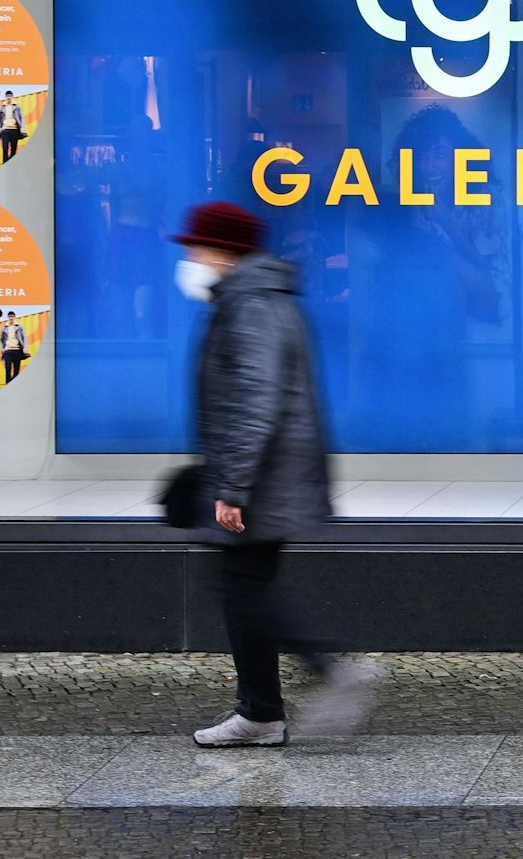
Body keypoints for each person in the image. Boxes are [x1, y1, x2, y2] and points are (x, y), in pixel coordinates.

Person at [174, 201, 377, 747]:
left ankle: (321, 678)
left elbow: (255, 401)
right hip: (265, 473)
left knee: (245, 590)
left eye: (196, 247)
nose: (191, 258)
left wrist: (234, 486)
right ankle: (262, 710)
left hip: (262, 479)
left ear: (222, 252)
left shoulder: (254, 305)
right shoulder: (250, 300)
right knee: (244, 588)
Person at [0, 313, 27, 384]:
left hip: (17, 350)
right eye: (10, 316)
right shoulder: (4, 328)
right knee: (8, 369)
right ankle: (7, 384)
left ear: (15, 317)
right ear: (8, 317)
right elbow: (1, 340)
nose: (11, 318)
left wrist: (25, 347)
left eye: (12, 316)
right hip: (7, 351)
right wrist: (2, 348)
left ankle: (14, 384)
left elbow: (24, 338)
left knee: (16, 369)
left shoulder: (19, 326)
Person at [0, 92, 25, 164]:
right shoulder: (2, 107)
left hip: (14, 130)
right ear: (5, 97)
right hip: (5, 130)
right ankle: (5, 164)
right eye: (7, 96)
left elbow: (21, 117)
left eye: (10, 96)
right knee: (5, 148)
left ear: (12, 97)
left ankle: (11, 164)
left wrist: (22, 127)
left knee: (13, 149)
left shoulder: (17, 106)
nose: (9, 97)